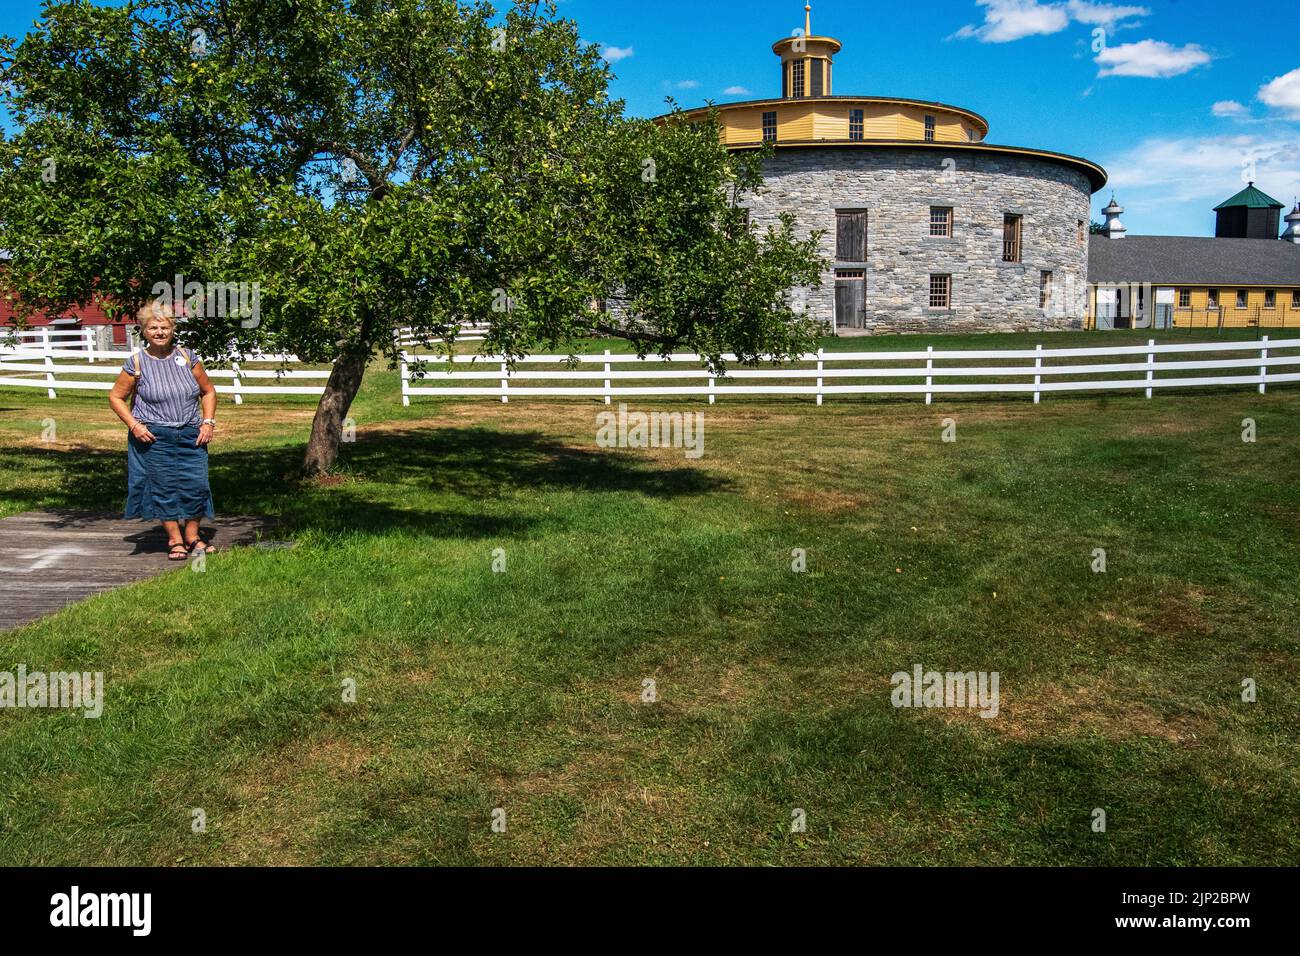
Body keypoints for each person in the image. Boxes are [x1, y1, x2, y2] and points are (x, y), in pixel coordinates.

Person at [108, 301, 219, 559]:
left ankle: (193, 536)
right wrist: (134, 425)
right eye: (153, 328)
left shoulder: (188, 357)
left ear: (172, 329)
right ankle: (175, 540)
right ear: (143, 331)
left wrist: (208, 422)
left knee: (197, 485)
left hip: (192, 434)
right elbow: (115, 397)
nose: (159, 332)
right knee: (163, 487)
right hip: (154, 437)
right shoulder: (136, 363)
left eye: (164, 327)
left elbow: (208, 391)